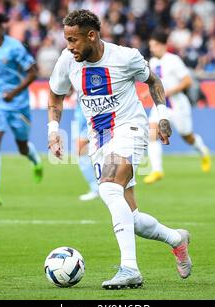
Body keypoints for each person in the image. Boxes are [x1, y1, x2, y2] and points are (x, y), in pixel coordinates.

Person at [47, 9, 192, 289]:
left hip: (130, 129)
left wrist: (162, 115)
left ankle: (130, 269)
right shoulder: (67, 60)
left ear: (92, 35)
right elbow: (55, 93)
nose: (69, 46)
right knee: (131, 216)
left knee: (109, 188)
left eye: (74, 40)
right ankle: (177, 239)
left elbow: (154, 81)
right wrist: (53, 131)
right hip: (99, 140)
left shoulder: (125, 57)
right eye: (66, 40)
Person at [0, 13, 43, 208]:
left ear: (1, 29)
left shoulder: (14, 48)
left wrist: (14, 92)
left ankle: (35, 160)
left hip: (18, 104)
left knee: (22, 146)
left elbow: (33, 73)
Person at [143, 31, 211, 185]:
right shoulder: (153, 62)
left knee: (187, 136)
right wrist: (149, 92)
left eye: (154, 46)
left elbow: (188, 81)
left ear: (163, 45)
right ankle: (157, 170)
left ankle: (203, 151)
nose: (152, 49)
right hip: (161, 106)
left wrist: (170, 91)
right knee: (152, 132)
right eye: (151, 46)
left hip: (178, 106)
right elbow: (156, 83)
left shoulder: (174, 60)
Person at [73, 103, 99, 201]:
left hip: (93, 111)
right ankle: (97, 188)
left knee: (81, 149)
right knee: (81, 150)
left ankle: (97, 189)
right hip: (82, 111)